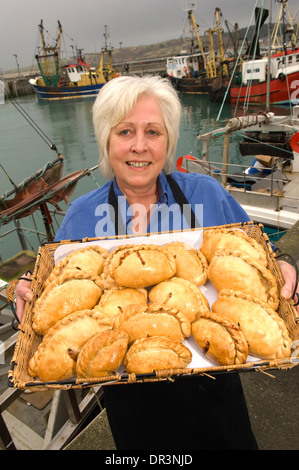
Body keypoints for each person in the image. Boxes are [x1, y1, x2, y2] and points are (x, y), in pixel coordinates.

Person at [15, 75, 298, 450]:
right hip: (133, 404)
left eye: (153, 132)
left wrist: (285, 263)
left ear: (169, 140)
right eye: (125, 132)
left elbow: (256, 253)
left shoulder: (205, 194)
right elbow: (58, 281)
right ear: (106, 139)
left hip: (214, 380)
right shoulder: (83, 215)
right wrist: (27, 286)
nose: (139, 146)